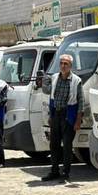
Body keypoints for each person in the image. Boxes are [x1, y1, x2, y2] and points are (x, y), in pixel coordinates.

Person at [42, 54, 83, 182]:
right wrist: (51, 115)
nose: (63, 66)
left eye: (66, 64)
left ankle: (65, 173)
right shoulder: (54, 77)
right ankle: (54, 171)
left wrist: (78, 120)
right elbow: (51, 96)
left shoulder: (76, 80)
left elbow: (81, 101)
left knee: (67, 146)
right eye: (61, 63)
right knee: (53, 145)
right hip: (56, 115)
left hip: (68, 116)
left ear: (70, 66)